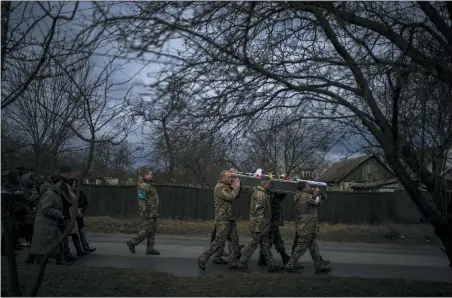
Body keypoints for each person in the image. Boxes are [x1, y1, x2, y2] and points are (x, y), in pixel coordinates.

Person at [233, 176, 285, 273]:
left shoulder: (262, 193)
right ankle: (241, 264)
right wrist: (262, 227)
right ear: (264, 183)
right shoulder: (261, 195)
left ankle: (272, 265)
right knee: (252, 245)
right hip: (259, 226)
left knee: (265, 245)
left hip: (260, 225)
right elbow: (259, 213)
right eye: (269, 183)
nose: (270, 186)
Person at [197, 170, 241, 270]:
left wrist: (236, 187)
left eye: (231, 177)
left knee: (234, 241)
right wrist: (236, 187)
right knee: (219, 241)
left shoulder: (227, 186)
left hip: (230, 217)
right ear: (222, 178)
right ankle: (203, 258)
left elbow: (237, 196)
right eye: (228, 177)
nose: (231, 178)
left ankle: (233, 262)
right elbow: (231, 197)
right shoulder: (219, 187)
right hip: (222, 218)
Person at [285, 181, 331, 274]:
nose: (309, 187)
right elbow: (316, 201)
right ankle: (290, 266)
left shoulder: (301, 195)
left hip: (306, 225)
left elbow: (316, 203)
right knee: (301, 247)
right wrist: (316, 193)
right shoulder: (305, 196)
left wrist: (320, 197)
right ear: (303, 188)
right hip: (306, 226)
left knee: (313, 247)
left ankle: (319, 266)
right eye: (307, 186)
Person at [28, 174, 67, 265]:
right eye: (60, 183)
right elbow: (45, 208)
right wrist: (59, 214)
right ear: (55, 183)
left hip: (49, 223)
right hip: (45, 223)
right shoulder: (50, 193)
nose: (62, 185)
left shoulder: (55, 193)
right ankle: (39, 259)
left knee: (53, 241)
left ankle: (59, 259)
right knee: (42, 243)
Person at [127, 168, 160, 255]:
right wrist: (145, 212)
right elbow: (141, 200)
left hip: (153, 211)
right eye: (150, 174)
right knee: (147, 230)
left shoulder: (150, 185)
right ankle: (132, 242)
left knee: (152, 230)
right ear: (145, 175)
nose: (152, 175)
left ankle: (150, 249)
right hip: (148, 212)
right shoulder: (143, 186)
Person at [258, 192, 290, 266]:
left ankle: (284, 256)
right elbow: (276, 202)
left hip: (274, 221)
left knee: (277, 238)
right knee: (269, 239)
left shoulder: (274, 195)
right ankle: (262, 258)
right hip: (271, 221)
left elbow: (279, 199)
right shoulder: (270, 196)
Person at [67, 178, 96, 253]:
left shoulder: (81, 193)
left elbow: (86, 203)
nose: (75, 185)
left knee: (82, 231)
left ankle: (85, 246)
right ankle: (79, 250)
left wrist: (82, 209)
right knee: (75, 233)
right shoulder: (71, 193)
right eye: (74, 184)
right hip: (73, 215)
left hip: (79, 214)